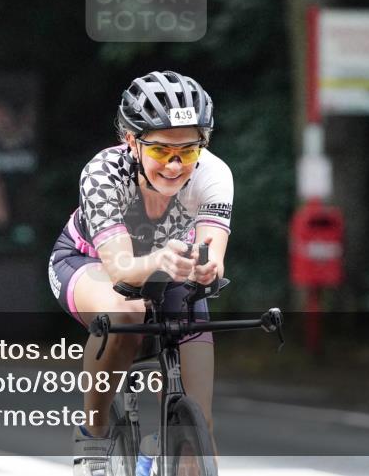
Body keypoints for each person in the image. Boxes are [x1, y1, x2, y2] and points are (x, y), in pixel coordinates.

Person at [47, 70, 233, 475]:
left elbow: (213, 254)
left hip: (172, 275)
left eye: (187, 150)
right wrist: (162, 258)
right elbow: (123, 271)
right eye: (162, 150)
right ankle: (93, 435)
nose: (174, 164)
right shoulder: (103, 174)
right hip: (88, 263)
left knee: (201, 422)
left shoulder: (213, 174)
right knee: (126, 313)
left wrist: (206, 267)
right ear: (131, 140)